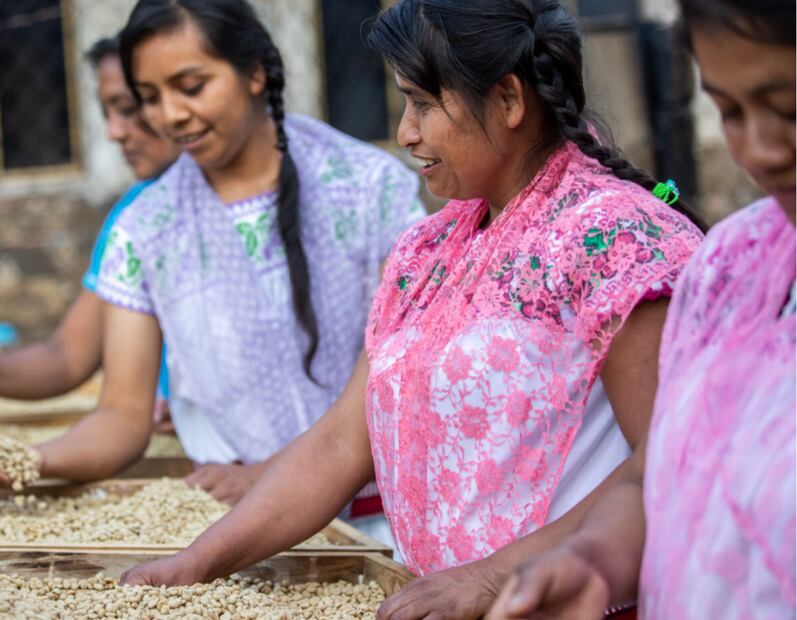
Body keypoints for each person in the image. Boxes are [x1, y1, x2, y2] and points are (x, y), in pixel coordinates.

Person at [118, 1, 705, 618]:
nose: (405, 133)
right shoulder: (427, 251)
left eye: (423, 104)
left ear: (508, 99)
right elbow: (340, 444)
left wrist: (491, 579)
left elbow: (674, 459)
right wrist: (194, 563)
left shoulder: (613, 237)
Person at [0, 0, 425, 540]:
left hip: (389, 519)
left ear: (254, 72)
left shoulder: (366, 185)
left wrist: (266, 475)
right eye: (149, 98)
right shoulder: (147, 227)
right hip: (239, 530)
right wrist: (32, 459)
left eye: (191, 87)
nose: (170, 115)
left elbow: (402, 369)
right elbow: (122, 417)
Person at [488, 1, 795, 618]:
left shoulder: (613, 231)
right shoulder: (733, 267)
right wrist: (592, 561)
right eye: (730, 112)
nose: (759, 150)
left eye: (788, 110)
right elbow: (655, 470)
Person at [0, 37, 179, 429]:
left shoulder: (252, 208)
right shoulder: (136, 214)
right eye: (106, 112)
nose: (114, 132)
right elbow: (69, 354)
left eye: (128, 109)